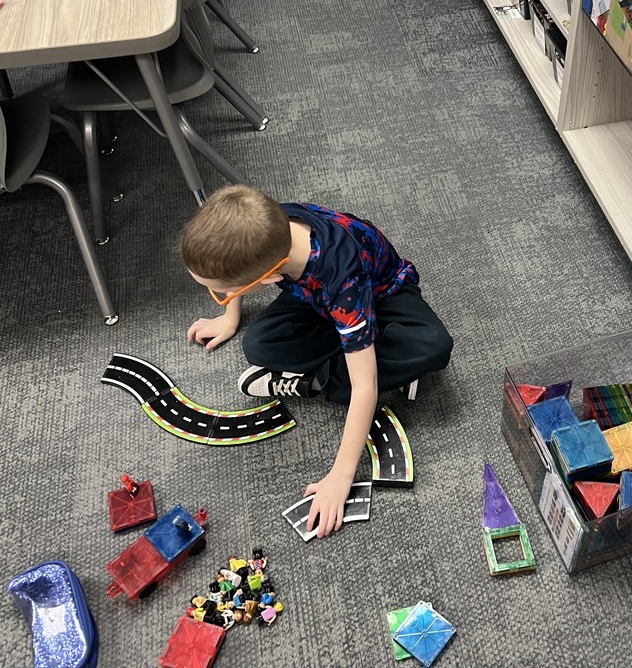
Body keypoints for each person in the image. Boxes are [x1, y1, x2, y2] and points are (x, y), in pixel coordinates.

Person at [180, 186, 453, 538]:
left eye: (220, 293)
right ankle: (372, 353)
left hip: (381, 293)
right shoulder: (262, 220)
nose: (220, 297)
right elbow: (237, 269)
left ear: (267, 279)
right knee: (258, 343)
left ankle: (324, 377)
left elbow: (365, 389)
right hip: (315, 299)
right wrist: (230, 317)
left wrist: (340, 478)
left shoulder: (342, 278)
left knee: (433, 346)